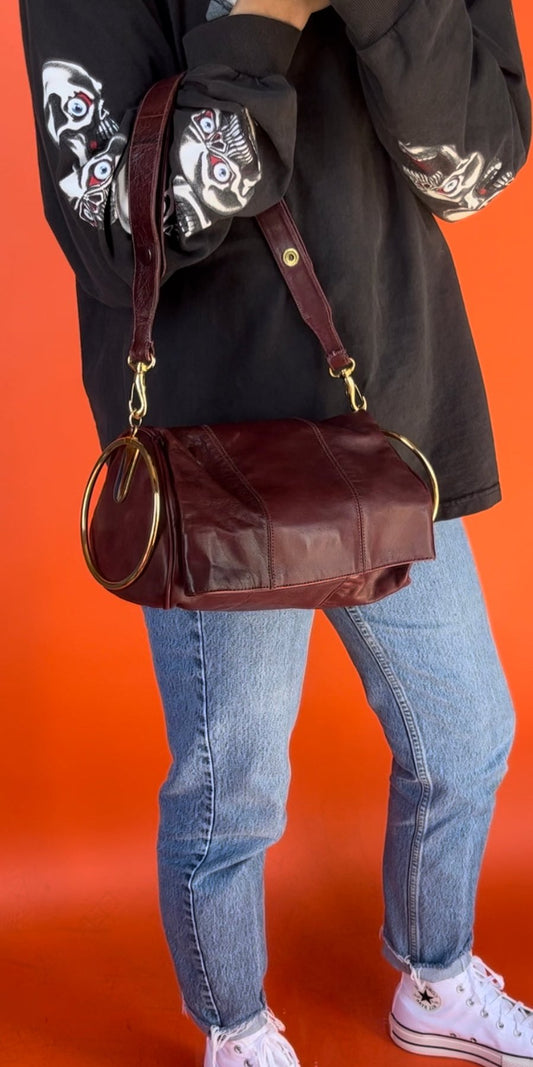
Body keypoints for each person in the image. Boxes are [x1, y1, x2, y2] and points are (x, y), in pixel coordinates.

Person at [19, 0, 532, 1064]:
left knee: (465, 734)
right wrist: (259, 21)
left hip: (386, 421)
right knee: (234, 783)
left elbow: (471, 171)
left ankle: (433, 975)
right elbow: (120, 237)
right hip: (221, 456)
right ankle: (232, 1022)